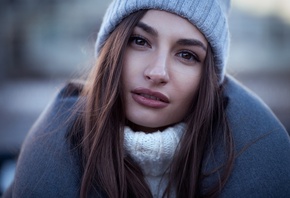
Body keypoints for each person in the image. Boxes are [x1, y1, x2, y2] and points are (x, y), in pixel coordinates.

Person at [3, 0, 290, 197]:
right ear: (111, 51)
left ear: (210, 80)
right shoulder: (45, 162)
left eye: (186, 55)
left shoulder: (259, 160)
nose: (157, 72)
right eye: (140, 41)